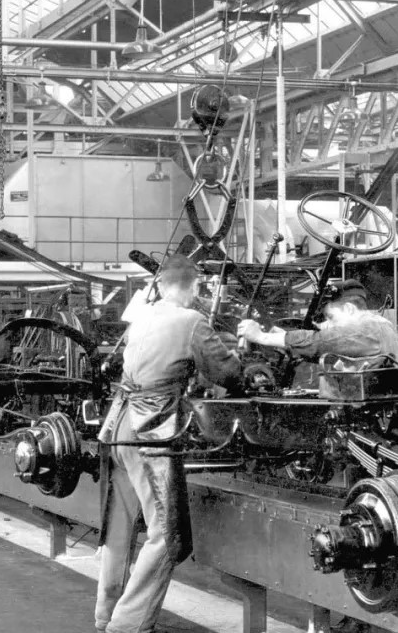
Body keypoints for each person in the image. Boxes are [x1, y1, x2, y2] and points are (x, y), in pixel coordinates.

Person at [95, 255, 242, 633]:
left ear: (160, 285)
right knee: (166, 535)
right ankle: (128, 625)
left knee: (120, 527)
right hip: (151, 431)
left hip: (117, 427)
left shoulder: (141, 316)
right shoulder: (192, 320)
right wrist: (239, 354)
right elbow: (227, 373)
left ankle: (106, 613)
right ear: (195, 287)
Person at [237, 279, 398, 370]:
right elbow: (327, 348)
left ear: (349, 309)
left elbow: (321, 341)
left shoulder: (369, 329)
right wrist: (283, 340)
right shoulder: (377, 327)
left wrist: (262, 337)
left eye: (331, 317)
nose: (328, 325)